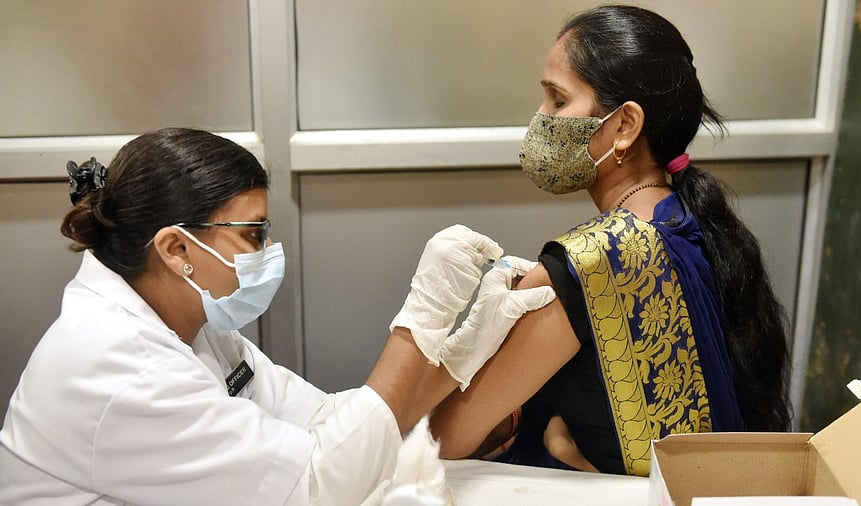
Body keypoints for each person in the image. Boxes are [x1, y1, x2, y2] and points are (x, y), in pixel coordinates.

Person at [0, 127, 556, 505]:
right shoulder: (120, 367)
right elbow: (316, 485)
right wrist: (424, 315)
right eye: (252, 234)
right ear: (176, 250)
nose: (268, 253)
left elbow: (322, 422)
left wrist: (470, 338)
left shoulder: (193, 330)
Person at [428, 4, 792, 477]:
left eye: (558, 101)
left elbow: (443, 438)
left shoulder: (589, 263)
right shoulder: (692, 222)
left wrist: (451, 338)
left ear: (624, 126)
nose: (540, 118)